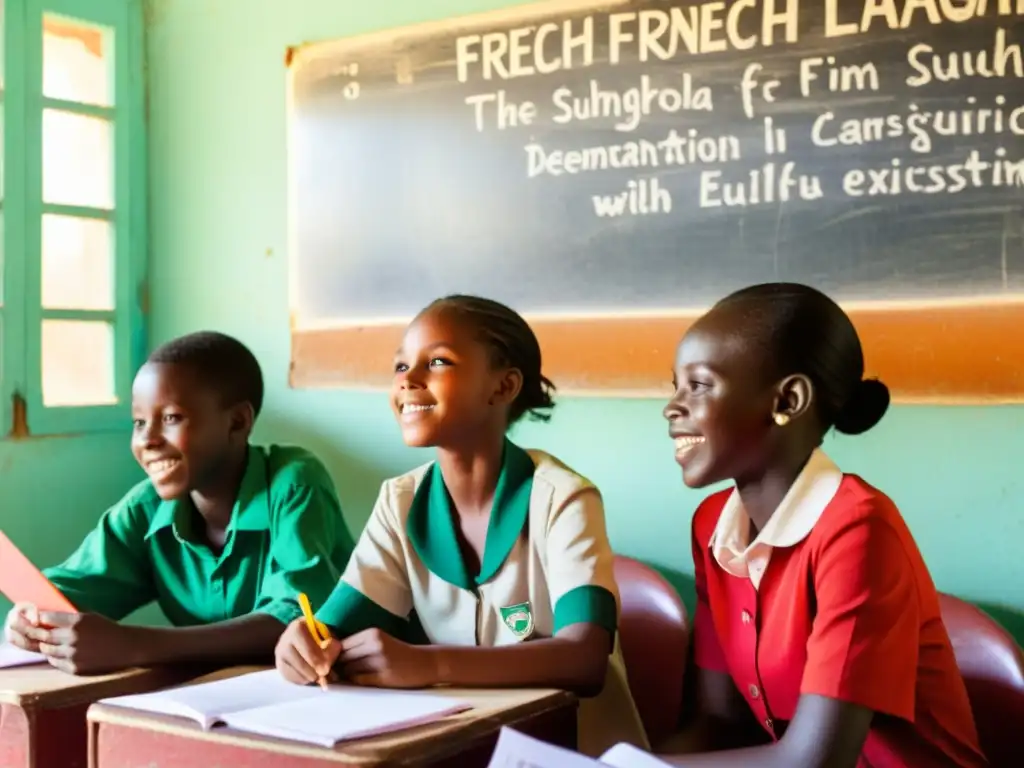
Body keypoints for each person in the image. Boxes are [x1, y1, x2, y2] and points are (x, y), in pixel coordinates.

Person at [274, 295, 647, 757]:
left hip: (578, 755)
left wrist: (428, 663)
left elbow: (585, 657)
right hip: (469, 752)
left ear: (504, 386)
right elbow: (330, 627)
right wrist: (304, 644)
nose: (408, 380)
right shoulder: (401, 502)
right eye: (399, 366)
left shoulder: (562, 499)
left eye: (436, 362)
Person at [658, 283, 986, 767]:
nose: (672, 406)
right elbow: (719, 723)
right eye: (676, 385)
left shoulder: (858, 530)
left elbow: (814, 761)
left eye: (700, 385)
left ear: (788, 400)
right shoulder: (712, 527)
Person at [4, 331, 355, 675]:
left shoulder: (294, 482)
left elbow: (297, 620)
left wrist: (135, 645)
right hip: (206, 701)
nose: (148, 440)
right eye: (139, 422)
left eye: (171, 418)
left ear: (238, 421)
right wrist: (32, 619)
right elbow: (71, 590)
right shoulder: (145, 509)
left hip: (330, 691)